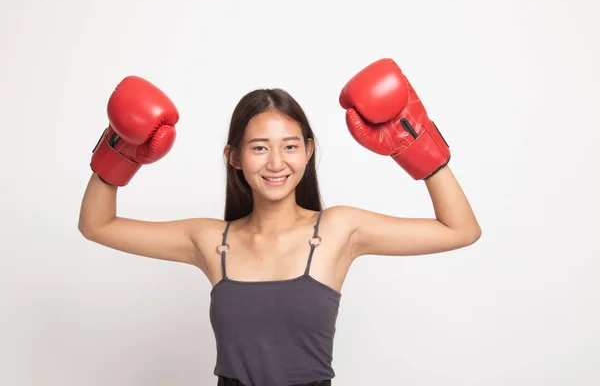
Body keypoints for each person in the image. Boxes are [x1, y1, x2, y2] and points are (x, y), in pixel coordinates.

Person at [78, 58, 482, 386]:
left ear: (308, 152)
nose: (276, 162)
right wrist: (120, 150)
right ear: (234, 156)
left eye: (290, 146)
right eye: (259, 148)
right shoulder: (209, 239)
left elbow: (460, 229)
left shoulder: (339, 231)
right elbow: (97, 225)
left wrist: (416, 144)